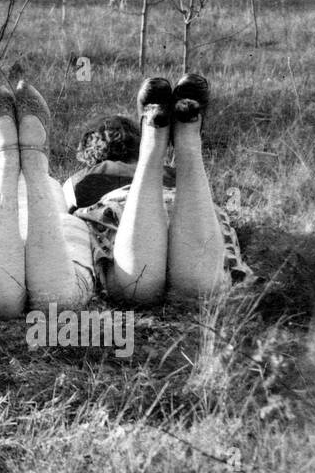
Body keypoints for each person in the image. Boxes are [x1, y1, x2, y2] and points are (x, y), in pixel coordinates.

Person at [68, 74, 250, 305]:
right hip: (180, 207)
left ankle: (153, 139)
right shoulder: (172, 173)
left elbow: (63, 209)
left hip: (122, 213)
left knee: (137, 288)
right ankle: (188, 137)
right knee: (199, 286)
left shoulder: (85, 177)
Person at [0, 81, 96, 317]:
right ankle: (34, 161)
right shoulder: (52, 185)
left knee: (1, 301)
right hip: (55, 232)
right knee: (59, 301)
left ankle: (5, 161)